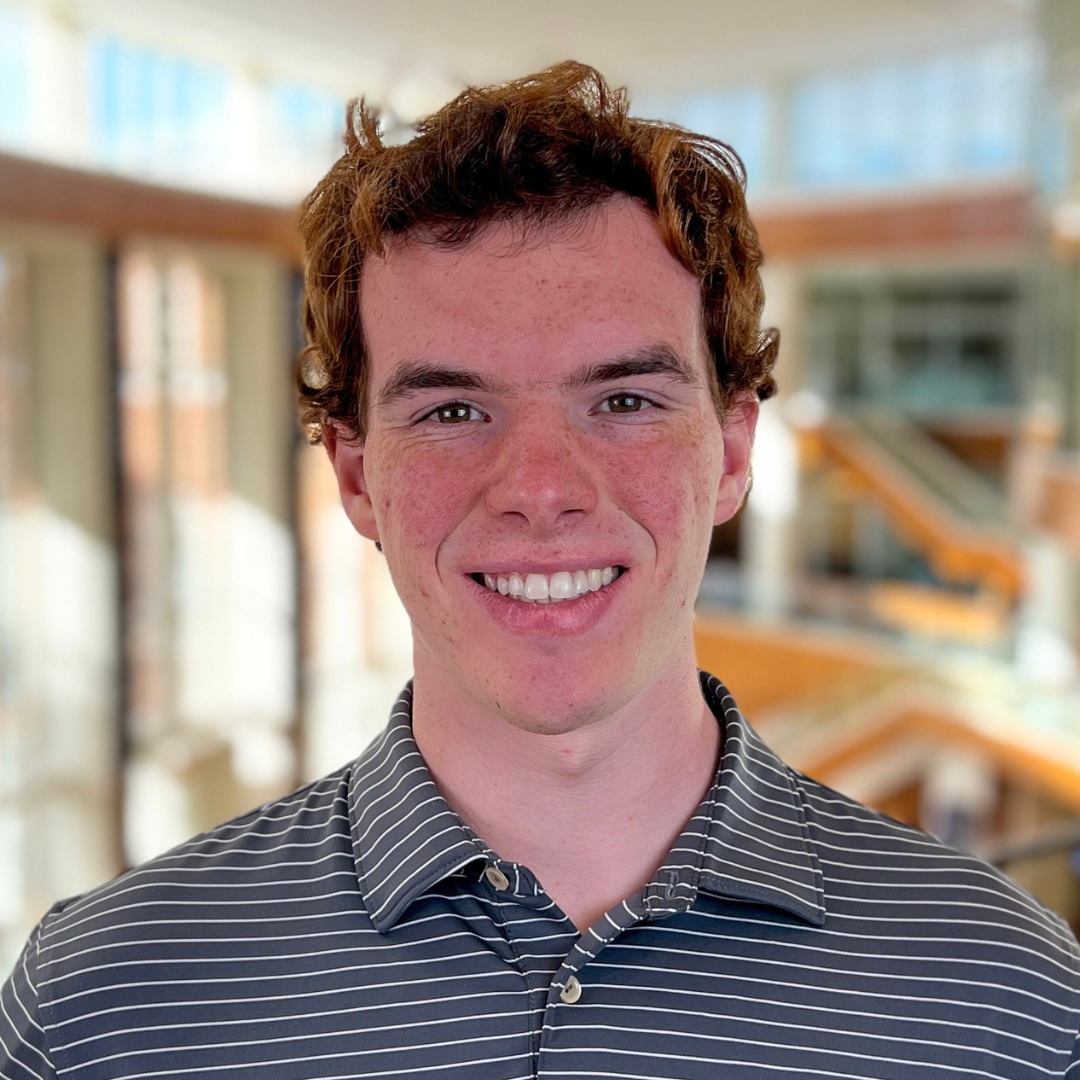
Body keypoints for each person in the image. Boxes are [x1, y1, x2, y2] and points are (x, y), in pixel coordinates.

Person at [2, 61, 1079, 1080]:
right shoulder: (105, 1005)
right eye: (454, 410)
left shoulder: (1010, 1003)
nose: (542, 489)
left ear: (735, 455)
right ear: (357, 477)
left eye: (623, 401)